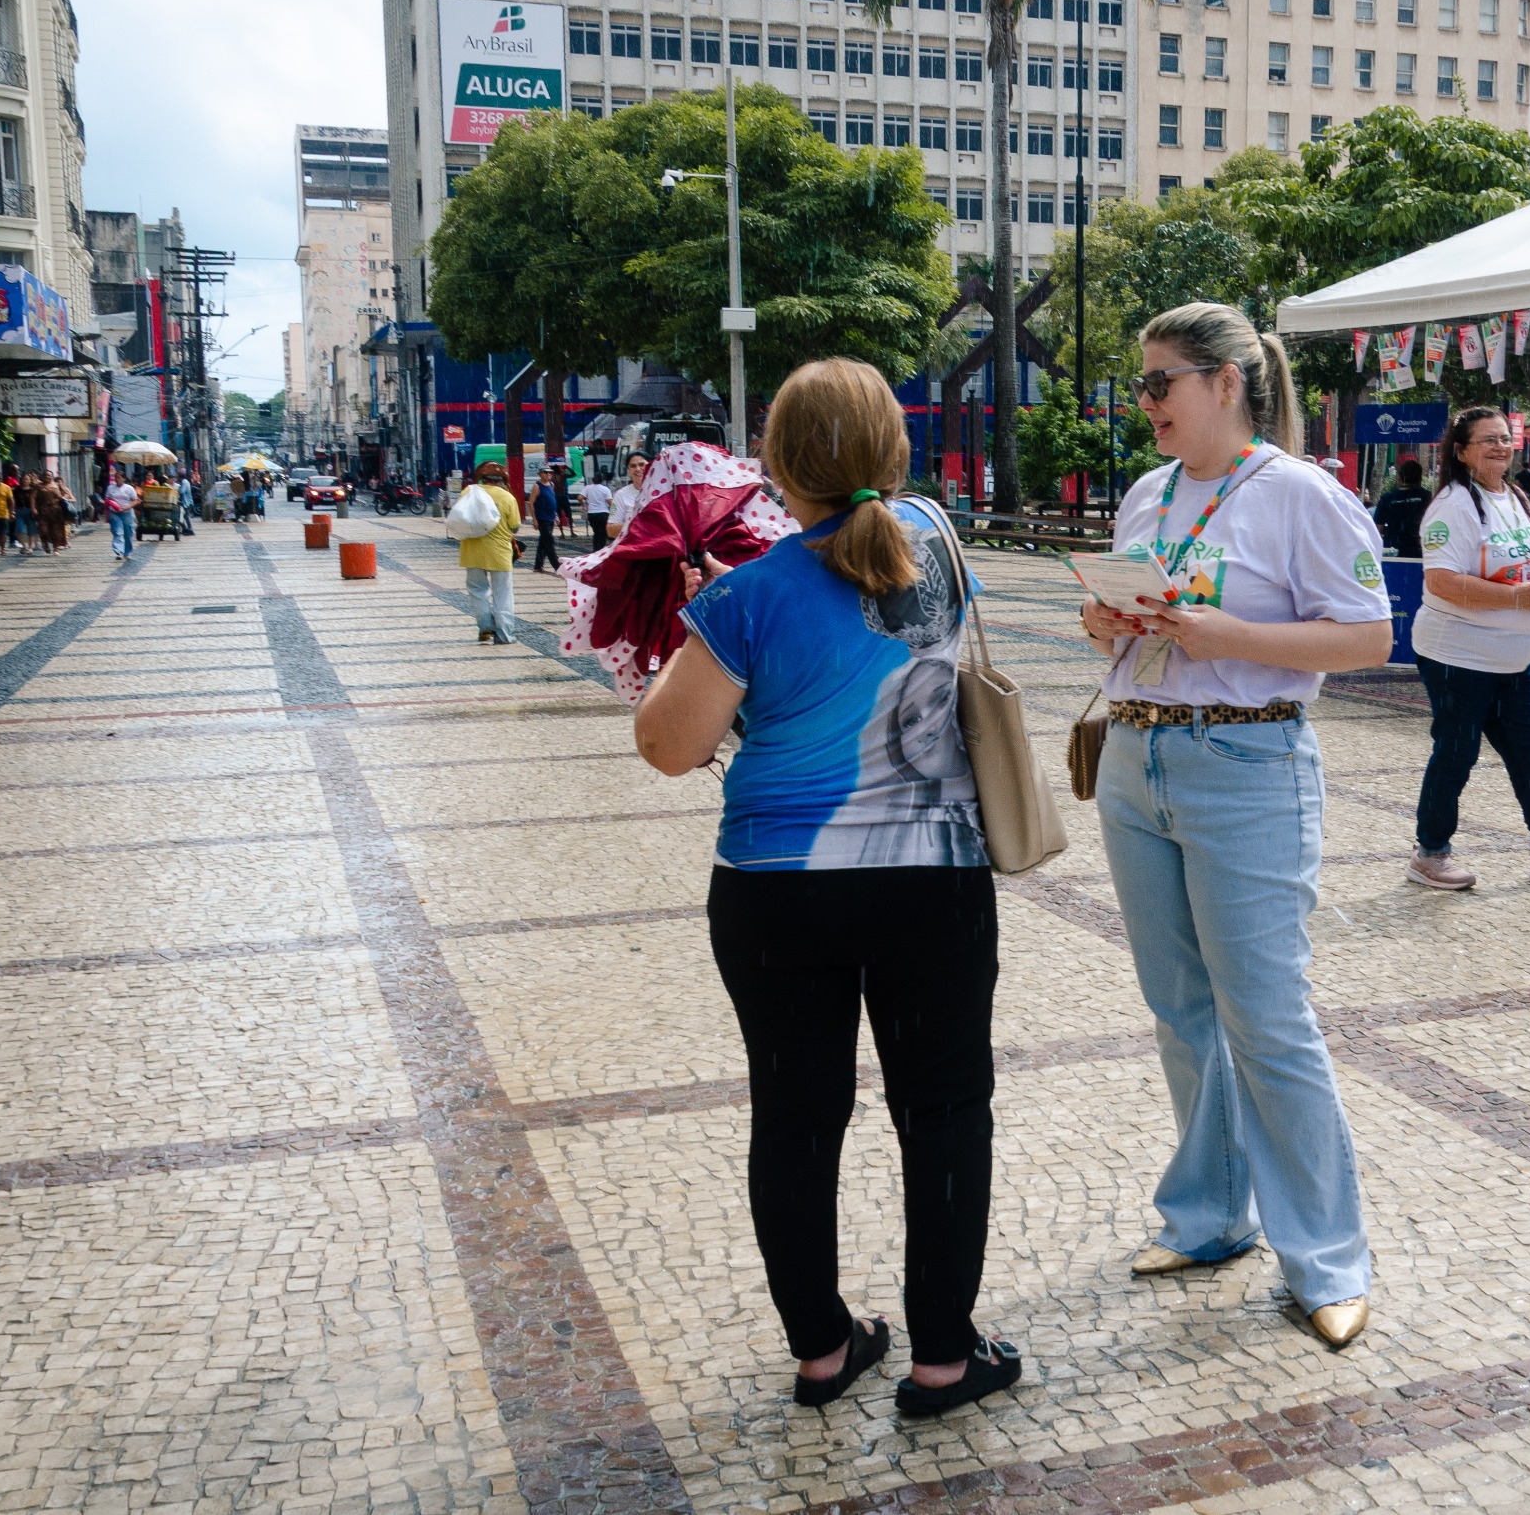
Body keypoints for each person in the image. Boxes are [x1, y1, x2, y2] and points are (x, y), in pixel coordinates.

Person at [635, 358, 1014, 1417]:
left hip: (775, 889)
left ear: (771, 464)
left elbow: (668, 747)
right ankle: (945, 1357)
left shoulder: (742, 597)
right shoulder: (936, 550)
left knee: (796, 1116)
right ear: (894, 452)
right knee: (943, 1113)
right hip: (931, 882)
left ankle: (822, 1349)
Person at [1075, 301, 1391, 1351]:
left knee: (1267, 1017)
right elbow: (1130, 619)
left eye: (1160, 382)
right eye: (1141, 385)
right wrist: (1104, 619)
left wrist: (1229, 634)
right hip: (1138, 753)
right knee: (1179, 1009)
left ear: (1225, 382)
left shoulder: (1299, 495)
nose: (1146, 403)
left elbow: (1369, 640)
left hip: (1247, 759)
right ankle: (1211, 1218)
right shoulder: (1147, 494)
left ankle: (1330, 1260)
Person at [1405, 406, 1530, 890]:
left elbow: (1521, 563)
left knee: (1528, 751)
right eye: (1487, 441)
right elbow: (1439, 581)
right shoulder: (1452, 505)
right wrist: (1515, 597)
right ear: (1460, 451)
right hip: (1459, 655)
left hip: (1512, 656)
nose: (1500, 447)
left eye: (1505, 438)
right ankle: (1430, 854)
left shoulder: (1515, 497)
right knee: (1456, 753)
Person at [460, 460, 523, 643]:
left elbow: (459, 517)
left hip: (471, 551)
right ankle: (504, 635)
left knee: (477, 590)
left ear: (482, 478)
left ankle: (485, 626)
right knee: (502, 593)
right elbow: (515, 526)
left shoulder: (467, 493)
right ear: (502, 480)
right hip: (500, 553)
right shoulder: (507, 497)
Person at [1371, 456, 1432, 557]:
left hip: (1393, 550)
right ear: (1420, 478)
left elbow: (1379, 528)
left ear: (1399, 477)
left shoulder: (1387, 499)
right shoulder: (1427, 497)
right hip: (1419, 551)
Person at [531, 466, 567, 573]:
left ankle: (538, 565)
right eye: (545, 472)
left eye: (550, 473)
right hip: (542, 518)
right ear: (540, 474)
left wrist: (555, 515)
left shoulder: (551, 485)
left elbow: (552, 501)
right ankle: (556, 565)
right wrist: (534, 520)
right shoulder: (537, 486)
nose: (548, 474)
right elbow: (531, 503)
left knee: (543, 542)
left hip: (550, 517)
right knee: (549, 541)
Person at [610, 452, 651, 534]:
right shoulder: (620, 495)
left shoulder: (664, 492)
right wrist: (636, 524)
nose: (638, 469)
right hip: (634, 546)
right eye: (633, 466)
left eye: (642, 464)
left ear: (651, 466)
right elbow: (610, 531)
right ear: (628, 470)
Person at [104, 469, 141, 560]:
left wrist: (128, 507)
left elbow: (136, 500)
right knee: (117, 531)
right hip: (114, 512)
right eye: (116, 477)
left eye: (119, 477)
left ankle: (127, 552)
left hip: (127, 512)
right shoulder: (110, 488)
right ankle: (118, 551)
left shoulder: (129, 488)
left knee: (128, 532)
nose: (117, 479)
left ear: (124, 479)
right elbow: (107, 499)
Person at [581, 471, 615, 552]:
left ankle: (595, 550)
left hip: (592, 513)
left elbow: (579, 497)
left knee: (596, 533)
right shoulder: (605, 489)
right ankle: (601, 550)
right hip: (603, 513)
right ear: (602, 480)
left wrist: (583, 504)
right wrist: (614, 512)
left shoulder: (587, 487)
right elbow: (610, 503)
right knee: (603, 533)